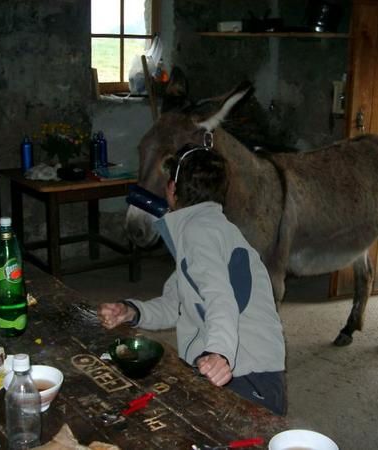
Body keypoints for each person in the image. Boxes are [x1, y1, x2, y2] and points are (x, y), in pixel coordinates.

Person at [97, 144, 287, 415]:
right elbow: (176, 305)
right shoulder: (208, 229)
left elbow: (220, 298)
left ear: (172, 189)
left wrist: (220, 354)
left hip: (247, 377)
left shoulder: (199, 230)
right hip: (250, 373)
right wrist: (132, 311)